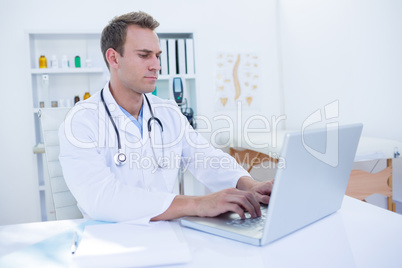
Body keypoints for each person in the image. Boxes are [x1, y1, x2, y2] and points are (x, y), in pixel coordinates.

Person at [59, 11, 273, 224]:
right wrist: (198, 204)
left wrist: (248, 184)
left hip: (167, 235)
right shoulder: (81, 122)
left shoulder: (167, 112)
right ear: (114, 58)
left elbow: (206, 158)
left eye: (157, 55)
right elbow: (101, 198)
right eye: (144, 55)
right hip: (111, 241)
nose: (156, 65)